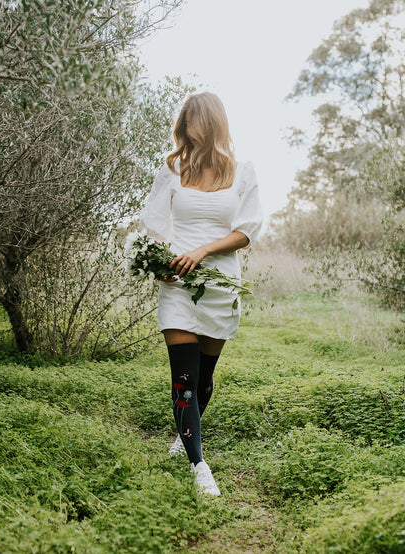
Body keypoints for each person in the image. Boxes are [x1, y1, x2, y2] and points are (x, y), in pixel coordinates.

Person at [140, 92, 263, 496]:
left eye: (194, 121)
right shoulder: (171, 168)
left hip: (220, 286)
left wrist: (204, 250)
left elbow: (246, 231)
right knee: (185, 380)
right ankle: (199, 466)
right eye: (184, 121)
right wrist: (160, 265)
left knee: (205, 378)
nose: (187, 129)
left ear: (210, 123)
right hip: (178, 286)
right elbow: (153, 226)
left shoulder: (242, 172)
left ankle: (183, 437)